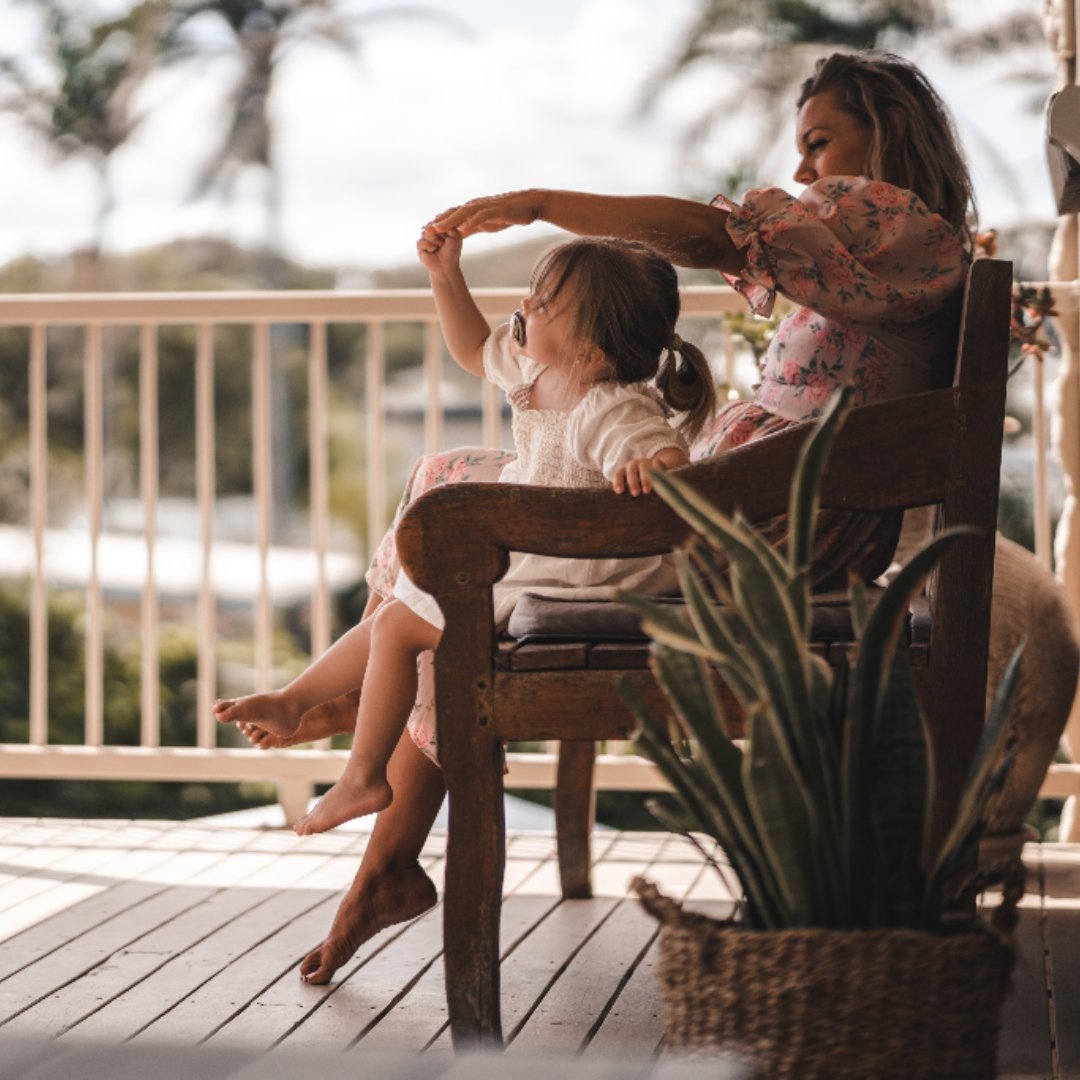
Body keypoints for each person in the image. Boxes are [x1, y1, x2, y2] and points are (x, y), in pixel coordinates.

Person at [232, 49, 975, 985]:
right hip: (750, 511)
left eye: (819, 143)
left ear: (889, 132)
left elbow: (713, 238)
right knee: (445, 486)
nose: (802, 172)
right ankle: (364, 708)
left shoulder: (894, 224)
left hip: (756, 533)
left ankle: (369, 743)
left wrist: (545, 203)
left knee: (452, 533)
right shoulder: (896, 247)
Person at [215, 232, 715, 837]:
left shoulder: (611, 406)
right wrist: (444, 273)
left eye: (545, 303)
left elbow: (665, 458)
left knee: (398, 624)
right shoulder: (542, 368)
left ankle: (363, 774)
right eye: (533, 295)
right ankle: (298, 700)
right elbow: (474, 348)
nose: (524, 309)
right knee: (395, 617)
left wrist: (650, 469)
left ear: (591, 347)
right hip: (539, 555)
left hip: (582, 573)